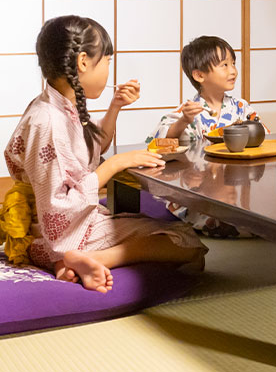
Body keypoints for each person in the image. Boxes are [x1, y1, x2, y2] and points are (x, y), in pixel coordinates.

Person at [1, 15, 207, 293]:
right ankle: (89, 258)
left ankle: (65, 263)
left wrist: (115, 107)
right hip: (54, 232)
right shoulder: (48, 121)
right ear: (83, 62)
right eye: (108, 61)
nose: (110, 69)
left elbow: (92, 145)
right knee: (188, 243)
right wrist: (114, 164)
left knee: (172, 237)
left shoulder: (54, 106)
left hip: (54, 226)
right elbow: (59, 205)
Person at [149, 35, 260, 237]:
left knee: (254, 218)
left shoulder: (241, 107)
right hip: (202, 188)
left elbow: (258, 134)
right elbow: (160, 144)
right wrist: (183, 121)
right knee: (234, 224)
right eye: (224, 65)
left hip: (236, 180)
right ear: (199, 75)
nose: (233, 70)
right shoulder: (189, 110)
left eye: (233, 63)